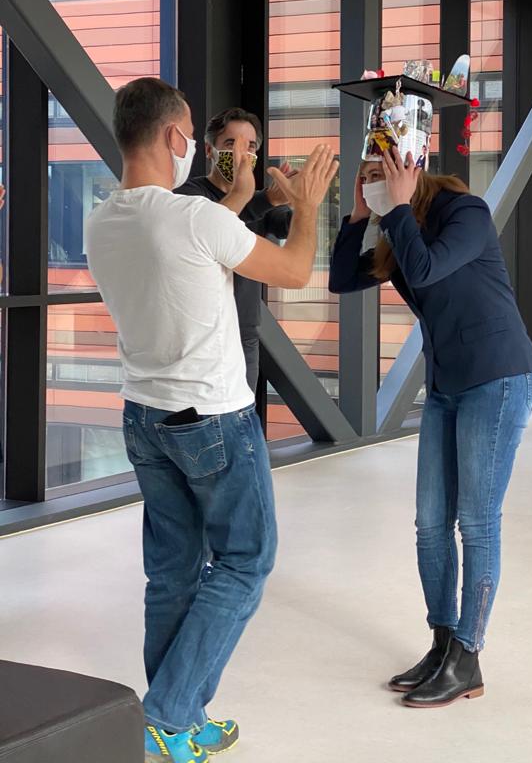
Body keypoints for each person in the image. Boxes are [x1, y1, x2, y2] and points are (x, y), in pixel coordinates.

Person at [84, 77, 337, 763]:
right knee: (246, 560)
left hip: (145, 417)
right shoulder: (196, 220)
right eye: (194, 133)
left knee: (172, 572)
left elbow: (189, 239)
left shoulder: (102, 221)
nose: (197, 144)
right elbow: (293, 270)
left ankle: (180, 721)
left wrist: (239, 195)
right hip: (213, 420)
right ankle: (167, 714)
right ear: (174, 136)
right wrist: (307, 205)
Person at [329, 147, 532, 709]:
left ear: (412, 168)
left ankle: (467, 656)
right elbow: (342, 279)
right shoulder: (396, 228)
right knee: (429, 523)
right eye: (365, 177)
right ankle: (443, 642)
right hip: (447, 385)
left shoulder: (463, 212)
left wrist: (397, 208)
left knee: (477, 522)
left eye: (381, 174)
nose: (373, 184)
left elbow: (425, 268)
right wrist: (359, 216)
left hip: (498, 378)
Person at [176, 107, 294, 393]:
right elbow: (214, 227)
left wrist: (303, 199)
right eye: (231, 143)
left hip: (245, 331)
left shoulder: (260, 200)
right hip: (202, 336)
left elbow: (288, 229)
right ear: (209, 150)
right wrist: (266, 199)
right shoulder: (189, 195)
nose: (242, 153)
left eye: (250, 146)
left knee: (244, 412)